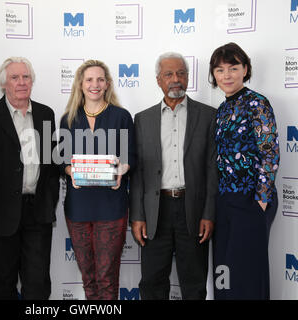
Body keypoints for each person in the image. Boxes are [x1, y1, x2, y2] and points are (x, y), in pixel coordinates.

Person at [130, 52, 218, 300]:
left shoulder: (208, 116)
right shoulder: (143, 119)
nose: (175, 79)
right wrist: (137, 216)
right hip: (156, 211)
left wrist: (209, 214)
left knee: (194, 282)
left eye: (181, 73)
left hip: (193, 209)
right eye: (169, 74)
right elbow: (138, 174)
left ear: (188, 78)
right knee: (152, 282)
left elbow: (213, 170)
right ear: (158, 80)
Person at [0, 57, 59, 300]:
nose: (21, 82)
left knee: (38, 286)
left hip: (37, 213)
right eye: (14, 77)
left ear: (32, 81)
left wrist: (49, 200)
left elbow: (51, 165)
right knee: (3, 286)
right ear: (4, 84)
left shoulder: (45, 114)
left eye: (26, 77)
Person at [59, 59, 136, 300]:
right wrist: (71, 171)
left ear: (108, 84)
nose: (95, 84)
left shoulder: (121, 116)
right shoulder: (68, 119)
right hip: (78, 208)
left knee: (107, 278)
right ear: (80, 85)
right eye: (89, 79)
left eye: (100, 79)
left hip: (111, 207)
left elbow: (131, 156)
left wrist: (122, 169)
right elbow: (62, 160)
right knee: (88, 279)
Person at [209, 42, 279, 300]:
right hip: (224, 200)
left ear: (245, 70)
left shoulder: (257, 103)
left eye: (233, 68)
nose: (226, 75)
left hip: (251, 199)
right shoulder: (221, 110)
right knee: (223, 272)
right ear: (214, 75)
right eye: (220, 70)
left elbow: (269, 152)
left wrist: (260, 199)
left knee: (248, 273)